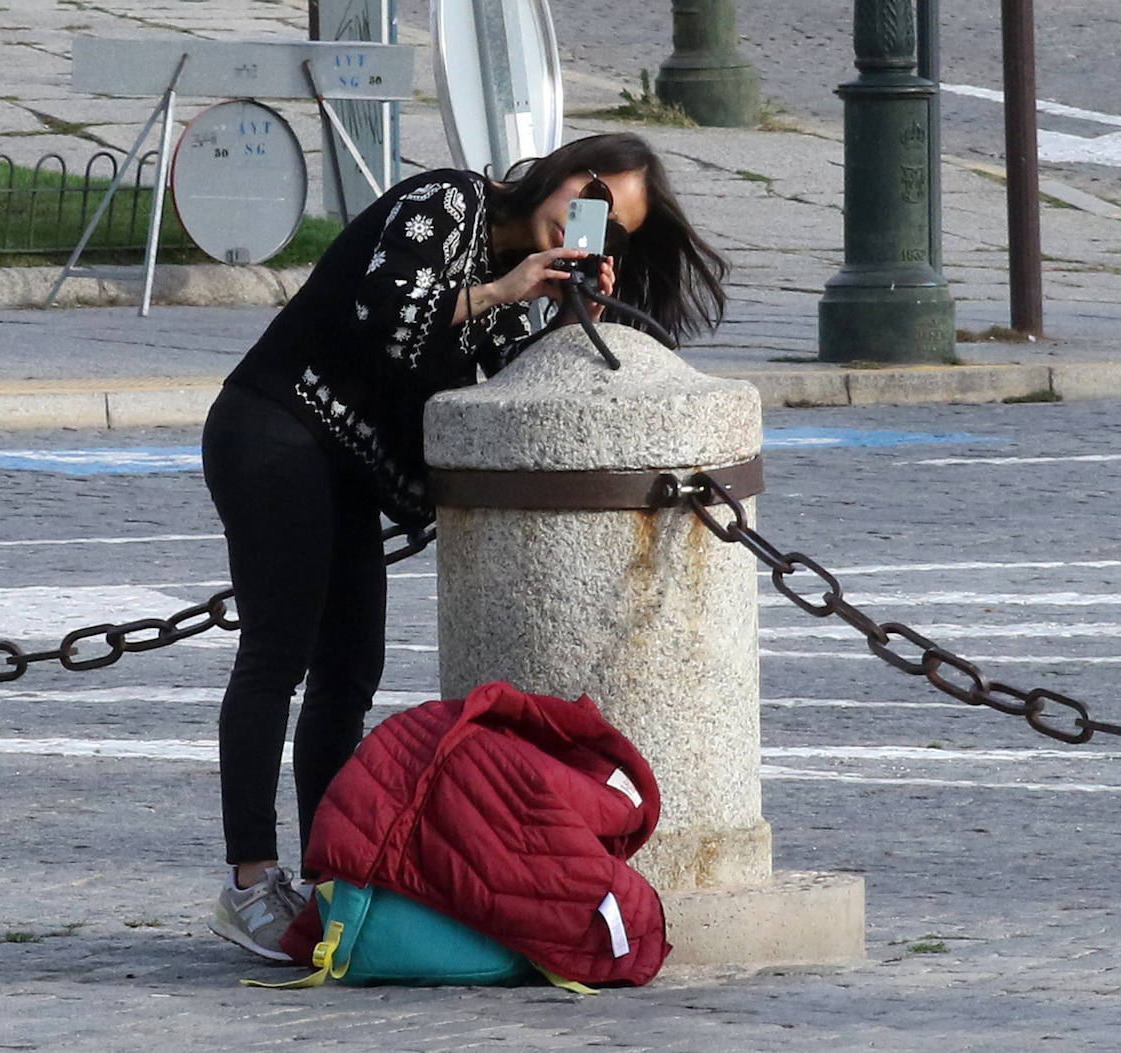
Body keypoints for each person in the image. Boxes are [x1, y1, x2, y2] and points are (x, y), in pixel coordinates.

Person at [201, 131, 729, 960]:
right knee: (278, 655)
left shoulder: (516, 291)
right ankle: (250, 883)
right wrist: (501, 288)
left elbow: (475, 401)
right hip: (276, 428)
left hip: (345, 467)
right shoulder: (450, 204)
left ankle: (332, 877)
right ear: (560, 170)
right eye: (589, 191)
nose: (584, 219)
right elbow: (390, 315)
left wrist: (561, 316)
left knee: (349, 672)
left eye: (611, 223)